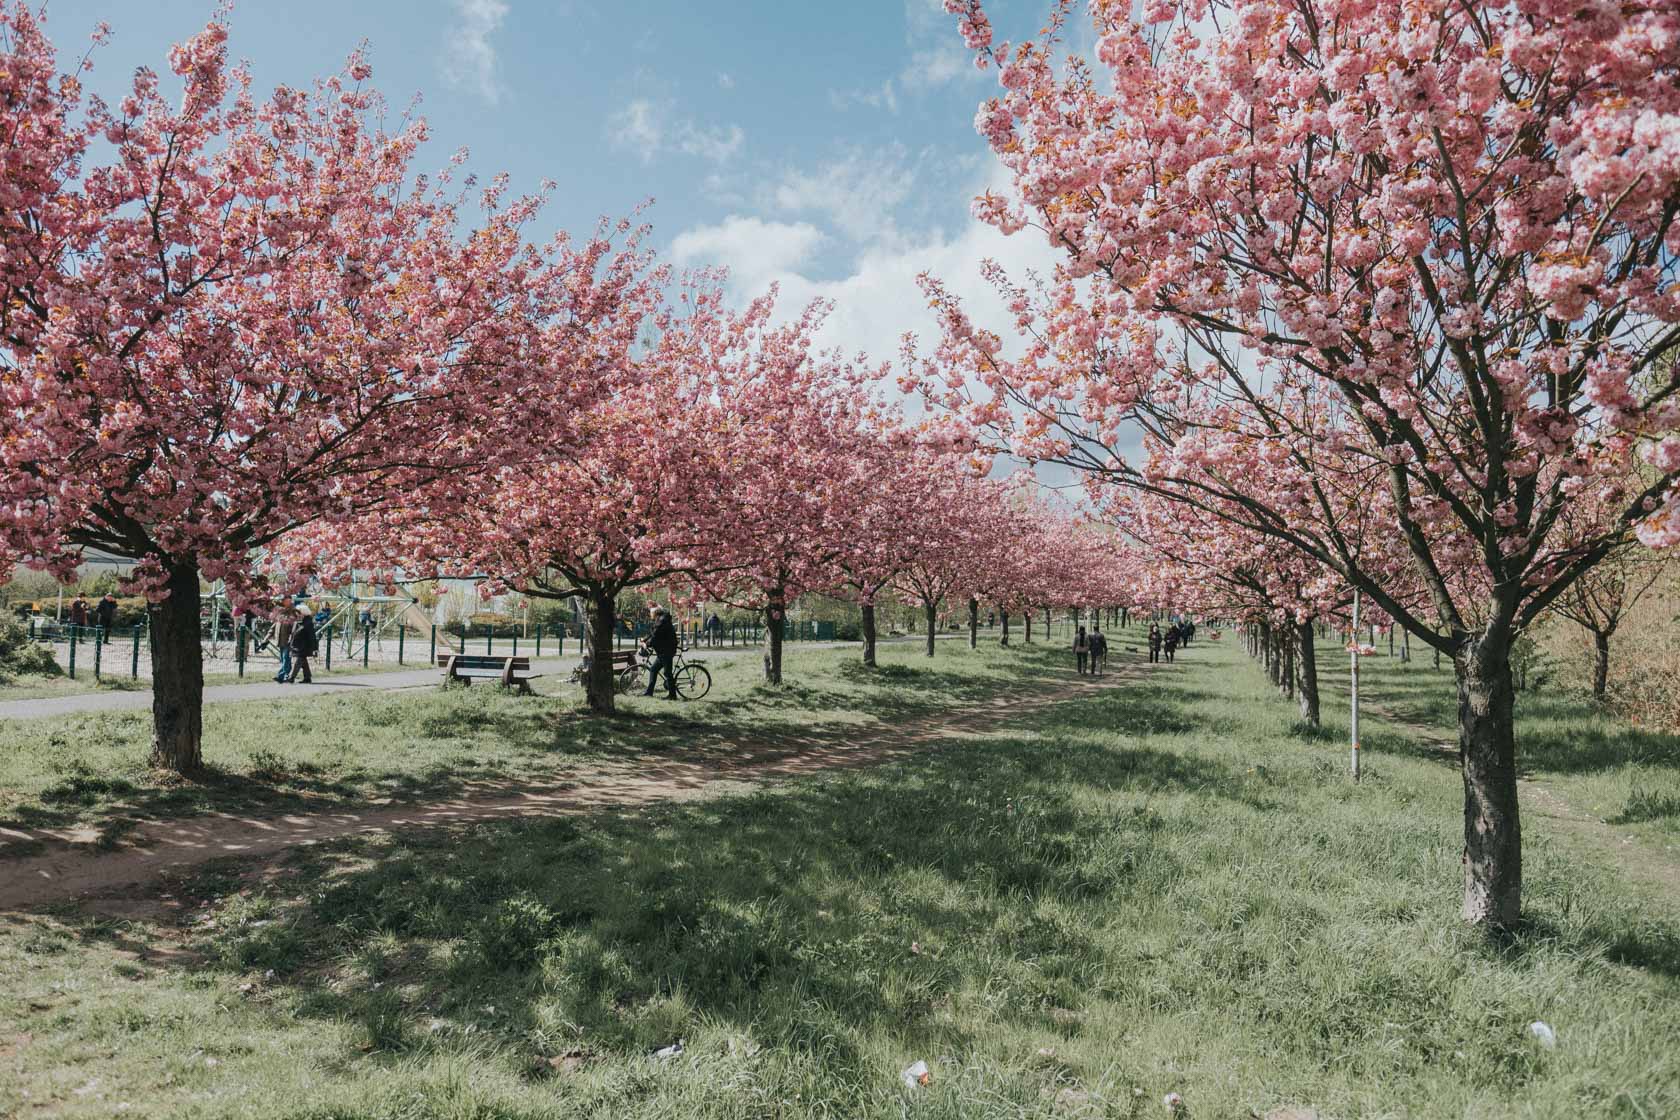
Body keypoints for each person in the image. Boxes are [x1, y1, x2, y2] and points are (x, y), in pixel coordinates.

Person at [642, 606, 679, 699]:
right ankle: (649, 692)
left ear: (655, 613)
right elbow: (653, 632)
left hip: (666, 651)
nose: (650, 615)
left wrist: (647, 644)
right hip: (663, 651)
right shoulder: (661, 620)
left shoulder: (662, 621)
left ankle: (672, 695)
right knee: (653, 669)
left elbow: (656, 635)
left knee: (667, 673)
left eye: (651, 613)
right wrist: (645, 639)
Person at [287, 606, 317, 684]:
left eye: (298, 612)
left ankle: (291, 677)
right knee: (303, 661)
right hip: (299, 645)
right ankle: (307, 677)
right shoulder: (300, 621)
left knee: (299, 660)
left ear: (303, 613)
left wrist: (314, 648)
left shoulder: (308, 622)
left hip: (305, 646)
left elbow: (312, 636)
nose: (297, 614)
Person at [274, 608, 295, 683]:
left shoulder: (290, 620)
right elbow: (273, 630)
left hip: (287, 643)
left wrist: (290, 641)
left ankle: (280, 675)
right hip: (280, 643)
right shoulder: (278, 620)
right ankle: (286, 675)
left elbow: (292, 632)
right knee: (284, 660)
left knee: (285, 658)